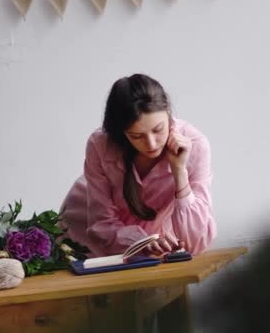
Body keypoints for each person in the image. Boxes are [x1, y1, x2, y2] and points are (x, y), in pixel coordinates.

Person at [59, 73, 216, 258]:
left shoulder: (194, 145)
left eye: (158, 130)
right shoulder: (100, 144)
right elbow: (101, 223)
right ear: (121, 132)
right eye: (136, 136)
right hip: (83, 230)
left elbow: (196, 243)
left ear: (168, 114)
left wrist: (179, 171)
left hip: (149, 246)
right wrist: (144, 242)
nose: (151, 144)